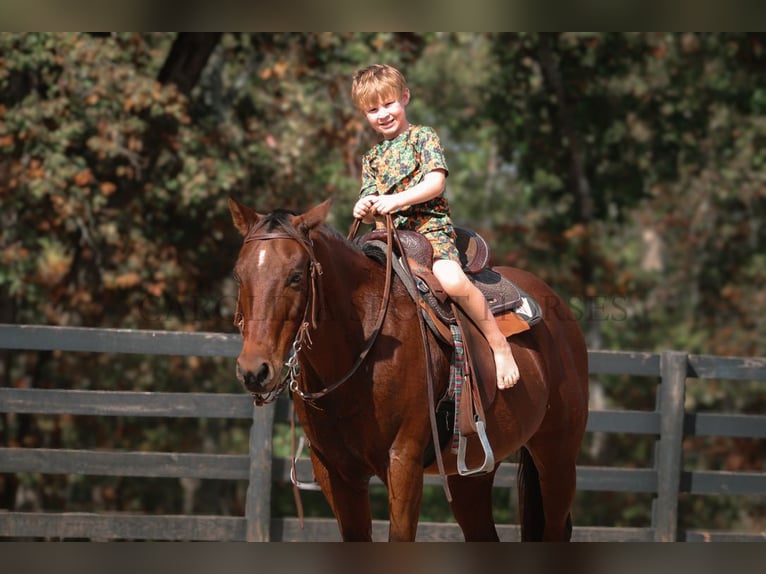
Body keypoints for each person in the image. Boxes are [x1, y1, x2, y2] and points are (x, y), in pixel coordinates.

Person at [350, 64, 520, 390]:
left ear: (405, 97)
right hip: (389, 238)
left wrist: (397, 200)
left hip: (429, 230)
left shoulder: (422, 136)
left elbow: (435, 182)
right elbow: (371, 202)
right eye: (373, 109)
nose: (383, 114)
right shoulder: (371, 157)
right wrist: (364, 207)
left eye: (388, 104)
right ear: (364, 113)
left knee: (452, 281)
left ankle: (498, 343)